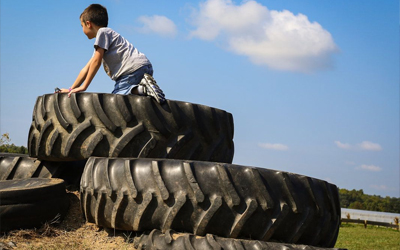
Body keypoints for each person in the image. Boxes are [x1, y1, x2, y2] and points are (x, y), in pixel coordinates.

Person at [56, 4, 165, 103]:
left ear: (88, 24)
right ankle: (143, 89)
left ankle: (143, 89)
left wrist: (84, 87)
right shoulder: (104, 41)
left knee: (115, 101)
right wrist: (71, 89)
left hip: (130, 71)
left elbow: (96, 62)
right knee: (130, 101)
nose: (82, 29)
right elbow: (86, 69)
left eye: (82, 26)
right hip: (143, 67)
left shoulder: (102, 32)